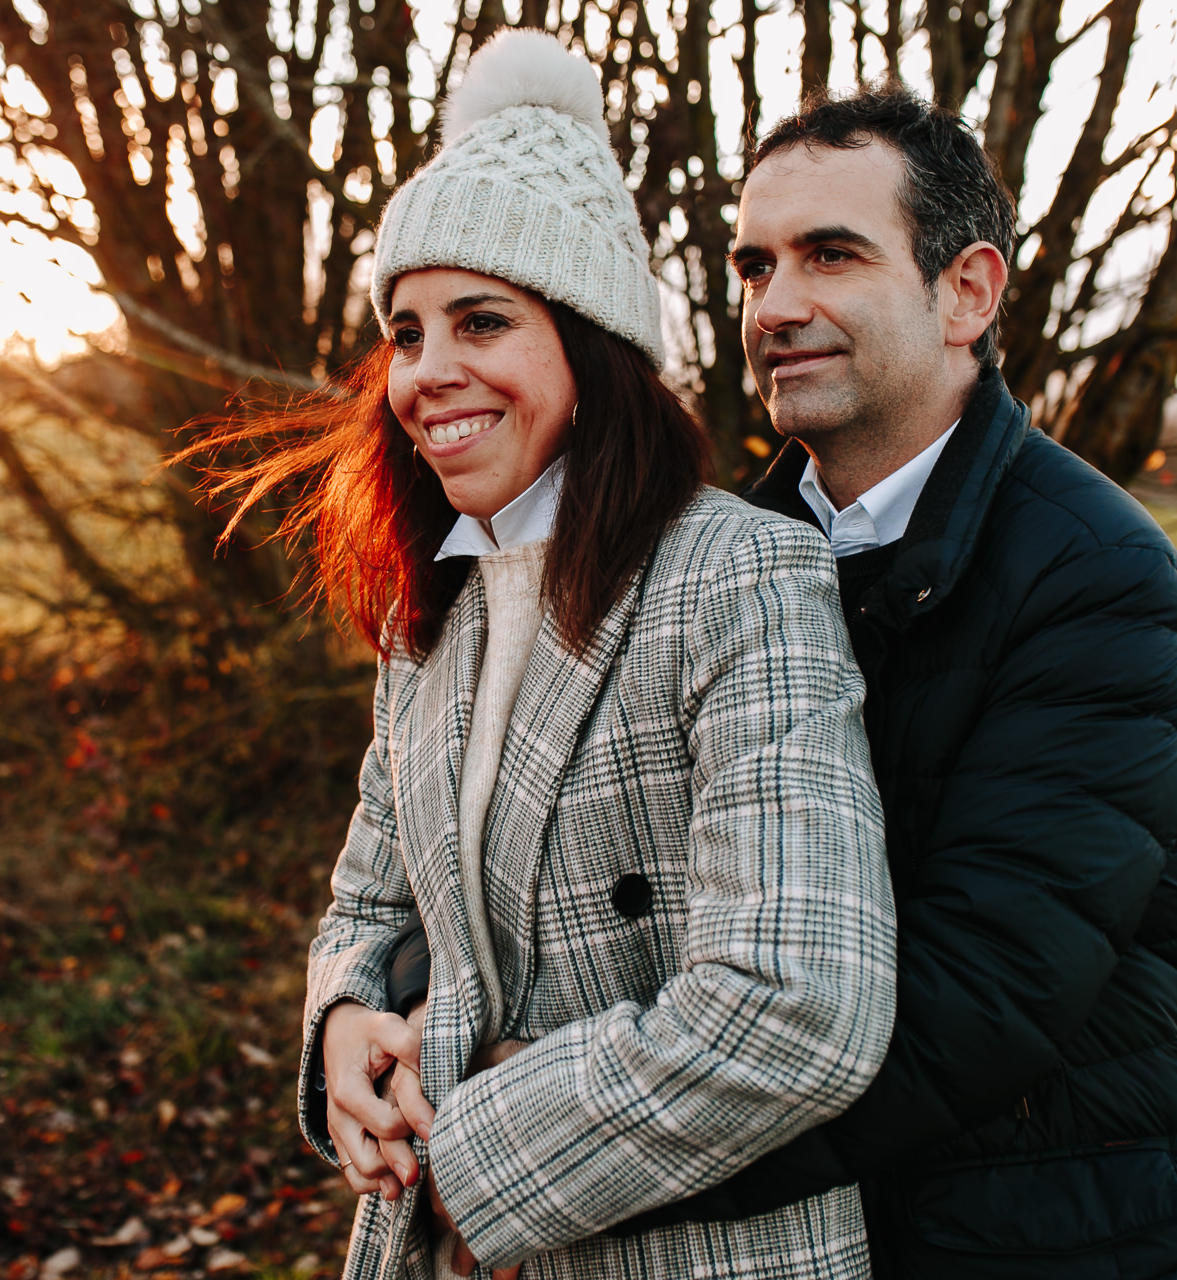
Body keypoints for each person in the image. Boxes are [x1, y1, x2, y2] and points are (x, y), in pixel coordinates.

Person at [365, 83, 1177, 1279]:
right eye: (755, 266)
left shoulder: (1093, 576)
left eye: (831, 255)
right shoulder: (698, 557)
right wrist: (385, 1028)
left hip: (1015, 1238)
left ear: (966, 291)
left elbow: (982, 995)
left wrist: (535, 1143)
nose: (776, 305)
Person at [214, 30, 898, 1280]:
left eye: (483, 320)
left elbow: (806, 1001)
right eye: (407, 332)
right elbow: (372, 897)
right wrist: (348, 1020)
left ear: (587, 345)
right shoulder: (439, 598)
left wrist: (484, 1147)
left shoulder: (735, 574)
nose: (430, 372)